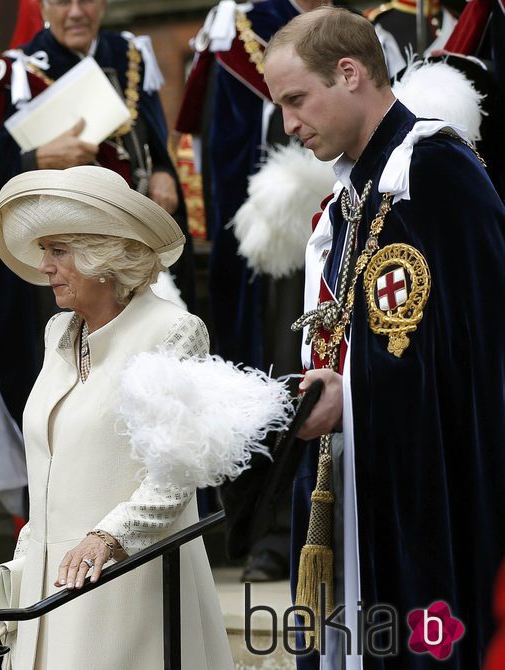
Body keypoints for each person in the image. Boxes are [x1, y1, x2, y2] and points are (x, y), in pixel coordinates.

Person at [263, 7, 504, 666]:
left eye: (295, 100)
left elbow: (476, 345)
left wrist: (357, 396)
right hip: (359, 468)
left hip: (428, 480)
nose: (287, 125)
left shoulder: (434, 171)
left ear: (349, 73)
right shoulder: (354, 189)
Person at [0, 165, 232, 669]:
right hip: (49, 584)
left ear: (103, 255)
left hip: (130, 582)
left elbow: (176, 476)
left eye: (59, 251)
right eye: (44, 251)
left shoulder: (172, 331)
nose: (46, 265)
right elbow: (50, 468)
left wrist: (108, 536)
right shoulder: (58, 332)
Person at [0, 0, 193, 520]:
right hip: (54, 278)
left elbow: (152, 145)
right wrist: (33, 162)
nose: (76, 10)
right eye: (61, 0)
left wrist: (165, 179)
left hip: (125, 267)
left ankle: (142, 505)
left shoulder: (129, 58)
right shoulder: (12, 75)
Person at [176, 0, 324, 583]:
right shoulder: (240, 28)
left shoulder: (365, 29)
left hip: (349, 221)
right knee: (279, 367)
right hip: (279, 236)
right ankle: (275, 529)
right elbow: (221, 152)